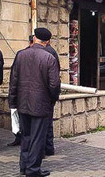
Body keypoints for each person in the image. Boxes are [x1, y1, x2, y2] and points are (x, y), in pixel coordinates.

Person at [9, 28, 61, 177]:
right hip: (41, 104)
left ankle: (24, 166)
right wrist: (53, 99)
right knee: (37, 138)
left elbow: (14, 80)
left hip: (23, 103)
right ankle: (32, 169)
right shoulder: (49, 57)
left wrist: (13, 102)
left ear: (35, 38)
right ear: (48, 41)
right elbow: (54, 84)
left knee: (26, 136)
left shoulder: (21, 55)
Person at [7, 35, 34, 147]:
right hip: (34, 97)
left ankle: (27, 148)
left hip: (24, 95)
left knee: (25, 124)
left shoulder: (21, 54)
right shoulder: (47, 54)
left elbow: (14, 77)